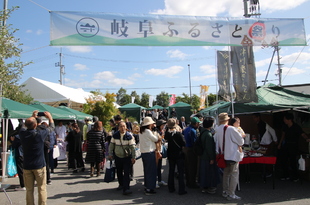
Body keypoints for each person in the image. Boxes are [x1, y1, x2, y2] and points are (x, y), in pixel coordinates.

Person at [19, 111, 54, 205]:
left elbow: (23, 127)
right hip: (39, 165)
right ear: (35, 125)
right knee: (41, 188)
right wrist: (50, 117)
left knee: (29, 190)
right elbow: (51, 128)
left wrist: (32, 117)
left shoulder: (22, 134)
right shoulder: (39, 134)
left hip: (27, 165)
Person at [214, 113, 244, 201]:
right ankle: (231, 193)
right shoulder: (231, 129)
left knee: (226, 174)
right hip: (232, 155)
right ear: (227, 120)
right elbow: (241, 141)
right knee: (234, 174)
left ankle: (225, 191)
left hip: (222, 155)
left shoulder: (217, 129)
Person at [278, 112, 308, 182]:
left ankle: (295, 176)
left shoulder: (296, 127)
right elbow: (283, 135)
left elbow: (302, 134)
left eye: (285, 119)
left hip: (294, 145)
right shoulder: (285, 126)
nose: (284, 120)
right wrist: (280, 144)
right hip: (286, 145)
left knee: (293, 161)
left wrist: (307, 138)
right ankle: (286, 175)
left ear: (290, 119)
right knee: (284, 160)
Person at [109, 121, 136, 195]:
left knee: (127, 172)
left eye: (124, 126)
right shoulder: (115, 135)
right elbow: (111, 145)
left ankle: (126, 188)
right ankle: (121, 184)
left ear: (126, 127)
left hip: (127, 157)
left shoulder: (129, 136)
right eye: (121, 126)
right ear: (118, 127)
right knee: (119, 172)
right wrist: (110, 153)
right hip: (117, 156)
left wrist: (134, 157)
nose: (122, 128)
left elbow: (133, 147)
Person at [164, 118, 187, 195]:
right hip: (179, 154)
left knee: (171, 171)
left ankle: (171, 188)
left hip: (170, 155)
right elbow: (183, 143)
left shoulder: (167, 134)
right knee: (180, 172)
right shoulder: (178, 134)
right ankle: (181, 189)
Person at [199, 117, 220, 194]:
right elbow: (209, 148)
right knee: (209, 173)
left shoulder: (203, 132)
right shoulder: (208, 135)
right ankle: (209, 187)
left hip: (203, 155)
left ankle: (204, 187)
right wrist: (211, 158)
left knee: (204, 173)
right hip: (207, 156)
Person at [139, 117, 159, 195]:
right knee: (151, 171)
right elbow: (156, 139)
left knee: (147, 170)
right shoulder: (148, 131)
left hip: (144, 153)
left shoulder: (141, 132)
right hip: (149, 152)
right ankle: (149, 188)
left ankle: (147, 186)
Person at [182, 116, 201, 188]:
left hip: (186, 148)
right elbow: (194, 142)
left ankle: (188, 181)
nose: (199, 125)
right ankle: (192, 183)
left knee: (187, 166)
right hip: (191, 149)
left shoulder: (187, 129)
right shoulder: (193, 130)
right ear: (195, 123)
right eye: (198, 123)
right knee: (193, 167)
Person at [154, 119, 168, 188]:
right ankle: (155, 181)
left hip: (161, 149)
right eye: (162, 125)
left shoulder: (161, 131)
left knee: (159, 166)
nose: (163, 126)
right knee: (156, 167)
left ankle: (160, 180)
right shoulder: (156, 132)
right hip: (157, 150)